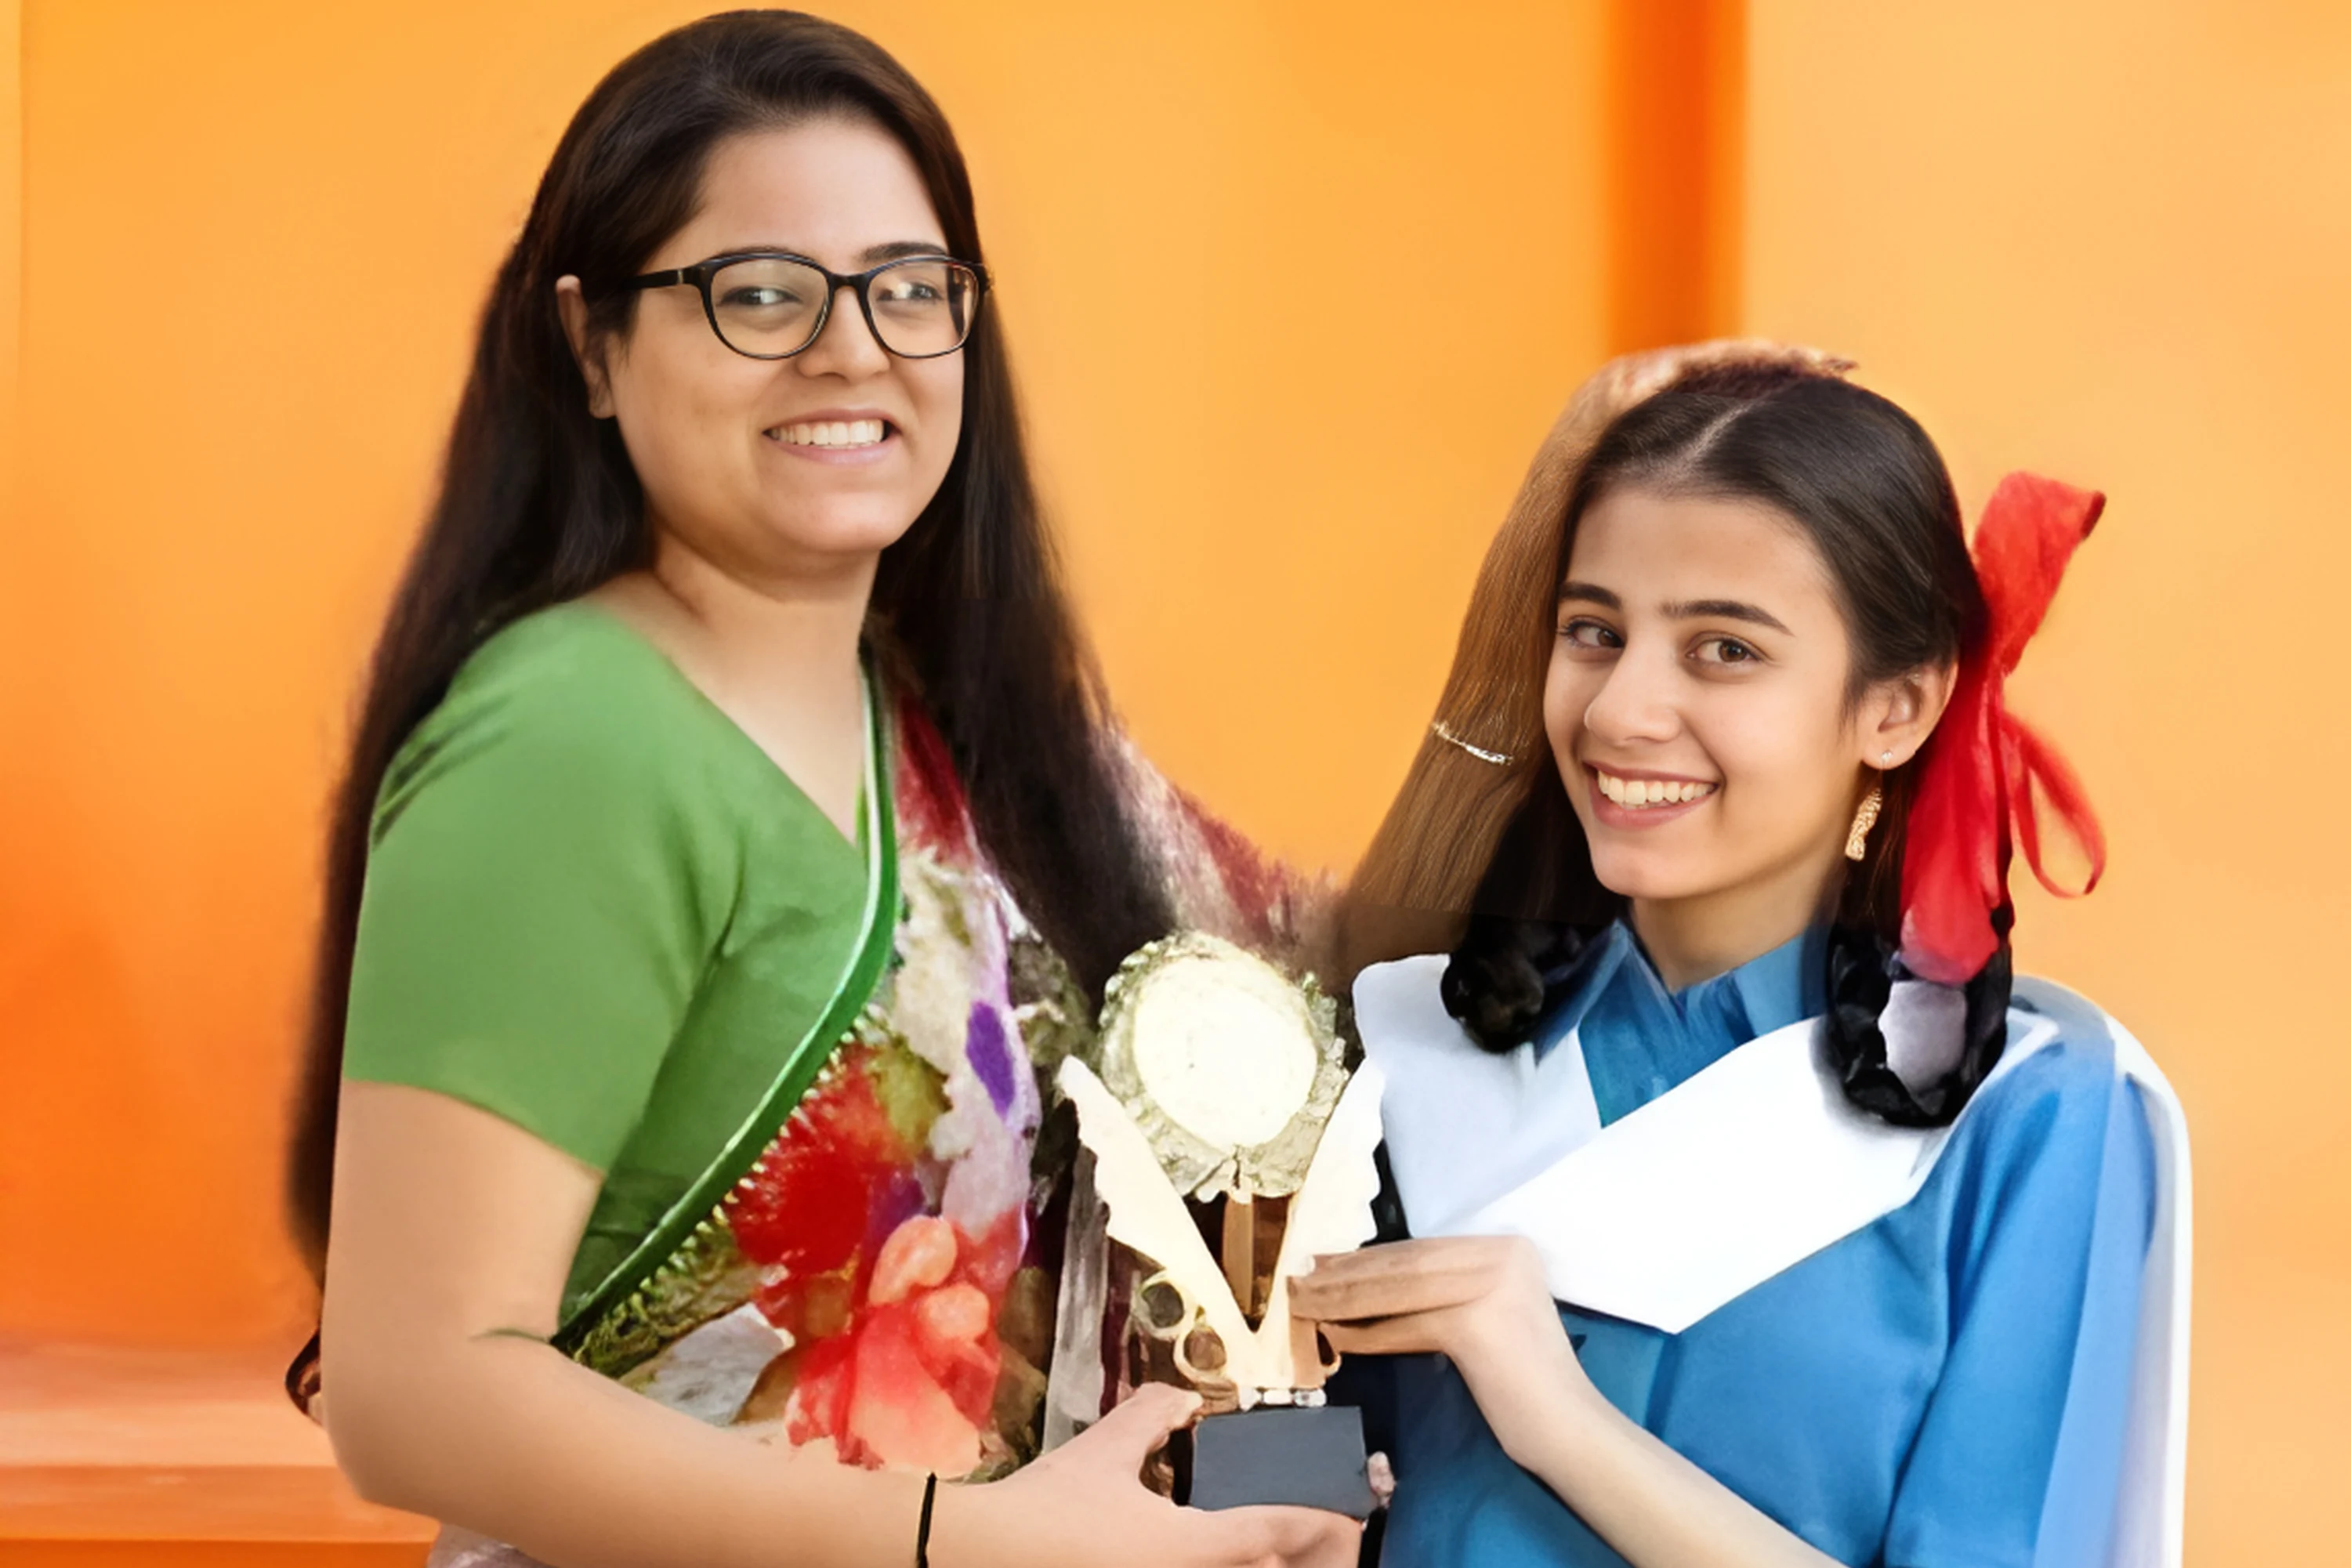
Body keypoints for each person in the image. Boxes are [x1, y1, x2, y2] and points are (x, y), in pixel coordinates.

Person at [284, 13, 1356, 1568]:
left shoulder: (950, 723)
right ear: (591, 345)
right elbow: (413, 1392)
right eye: (761, 293)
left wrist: (1596, 514)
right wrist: (979, 1545)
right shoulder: (573, 736)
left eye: (908, 290)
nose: (853, 349)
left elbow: (1323, 985)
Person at [1298, 362, 2189, 1567]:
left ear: (1897, 708)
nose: (1620, 711)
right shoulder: (1420, 1051)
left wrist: (1560, 1421)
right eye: (1594, 632)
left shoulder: (2032, 1113)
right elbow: (1293, 1480)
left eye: (1723, 648)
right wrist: (1281, 1497)